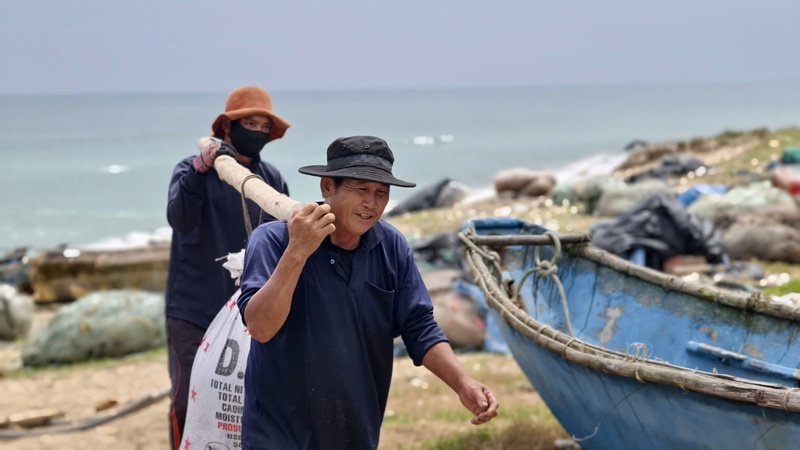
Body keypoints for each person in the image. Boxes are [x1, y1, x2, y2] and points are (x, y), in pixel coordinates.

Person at [237, 136, 499, 449]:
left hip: (355, 433)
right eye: (360, 189)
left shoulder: (391, 247)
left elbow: (419, 327)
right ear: (327, 188)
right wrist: (297, 252)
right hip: (278, 436)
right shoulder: (274, 241)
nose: (371, 204)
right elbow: (260, 328)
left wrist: (463, 383)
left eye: (381, 193)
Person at [165, 86, 291, 449]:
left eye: (264, 126)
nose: (257, 130)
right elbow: (180, 219)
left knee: (245, 398)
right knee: (187, 399)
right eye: (249, 123)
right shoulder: (192, 171)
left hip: (250, 312)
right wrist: (200, 169)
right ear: (227, 128)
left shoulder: (272, 182)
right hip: (193, 309)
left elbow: (283, 241)